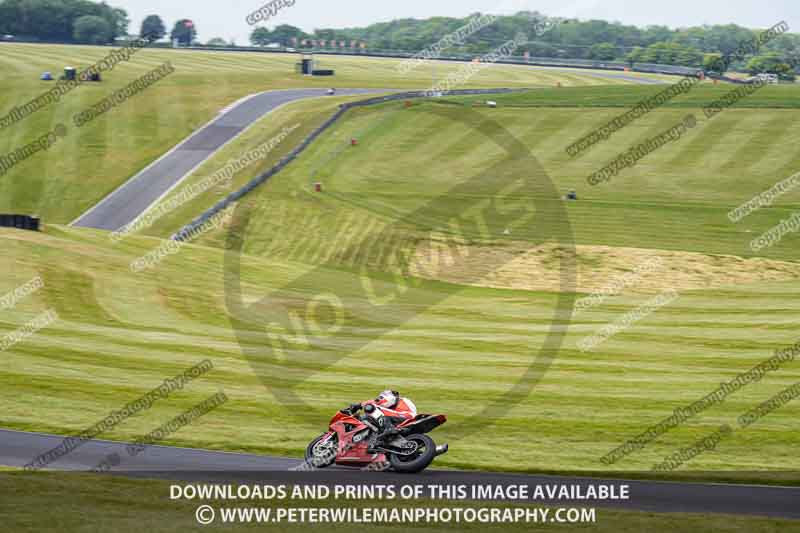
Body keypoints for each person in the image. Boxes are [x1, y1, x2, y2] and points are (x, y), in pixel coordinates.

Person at [348, 390, 417, 451]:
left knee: (372, 407)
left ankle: (389, 429)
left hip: (406, 416)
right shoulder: (399, 403)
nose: (379, 399)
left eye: (381, 397)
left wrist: (358, 405)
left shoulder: (396, 398)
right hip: (404, 418)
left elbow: (376, 402)